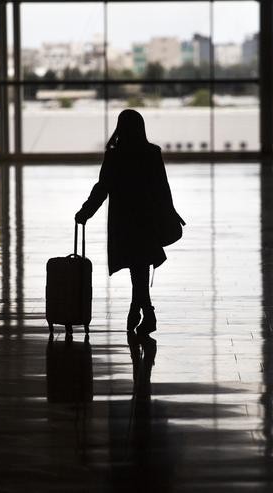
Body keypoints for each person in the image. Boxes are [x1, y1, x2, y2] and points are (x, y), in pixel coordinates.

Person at [75, 109, 184, 335]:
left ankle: (144, 311)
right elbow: (162, 189)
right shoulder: (152, 153)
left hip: (124, 222)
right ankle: (139, 310)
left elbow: (102, 188)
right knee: (140, 267)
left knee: (137, 267)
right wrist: (170, 213)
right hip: (147, 219)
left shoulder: (115, 155)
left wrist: (86, 212)